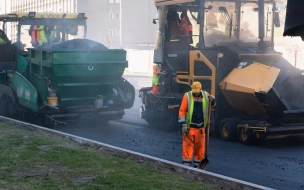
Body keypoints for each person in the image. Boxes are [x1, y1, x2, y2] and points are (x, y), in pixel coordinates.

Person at [178, 81, 216, 168]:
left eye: (197, 91)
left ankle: (198, 168)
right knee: (187, 148)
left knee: (200, 149)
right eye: (194, 91)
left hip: (201, 128)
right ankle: (186, 167)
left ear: (200, 89)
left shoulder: (206, 95)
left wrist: (213, 101)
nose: (195, 93)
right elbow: (182, 111)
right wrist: (183, 124)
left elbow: (212, 108)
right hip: (189, 128)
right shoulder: (187, 96)